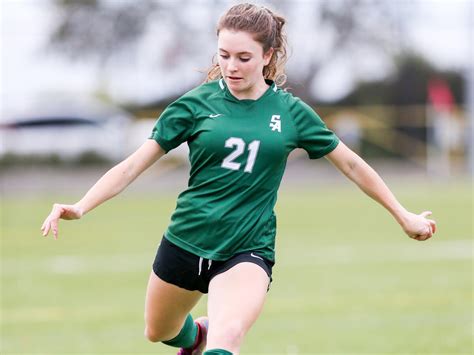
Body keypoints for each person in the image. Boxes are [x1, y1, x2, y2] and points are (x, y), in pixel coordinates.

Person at [41, 3, 437, 355]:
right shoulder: (195, 104)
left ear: (268, 55)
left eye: (244, 57)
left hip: (247, 249)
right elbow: (131, 166)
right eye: (225, 55)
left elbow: (351, 165)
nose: (232, 66)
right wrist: (80, 206)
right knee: (157, 331)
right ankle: (194, 339)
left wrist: (403, 215)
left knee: (226, 337)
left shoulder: (292, 113)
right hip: (186, 239)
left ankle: (210, 341)